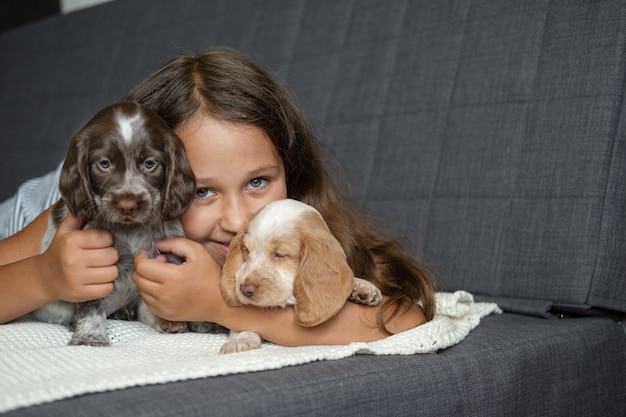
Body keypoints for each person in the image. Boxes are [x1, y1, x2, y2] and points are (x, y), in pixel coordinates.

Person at [0, 47, 437, 346]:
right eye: (202, 190)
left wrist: (218, 303)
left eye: (258, 182)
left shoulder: (298, 230)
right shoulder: (98, 209)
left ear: (289, 168)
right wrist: (43, 276)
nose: (236, 219)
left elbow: (406, 323)